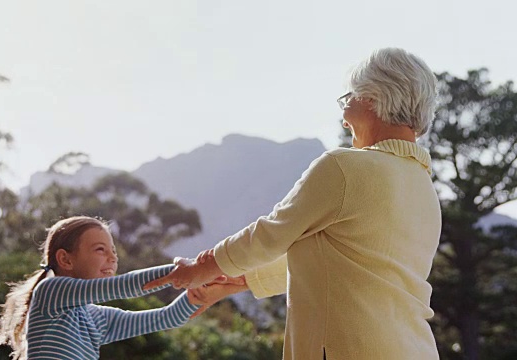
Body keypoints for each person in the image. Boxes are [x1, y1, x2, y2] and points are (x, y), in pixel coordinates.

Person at [144, 47, 442, 360]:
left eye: (348, 99)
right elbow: (333, 255)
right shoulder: (424, 190)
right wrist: (237, 281)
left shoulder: (345, 167)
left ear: (370, 97)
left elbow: (272, 234)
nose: (344, 118)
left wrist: (200, 268)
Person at [0, 215, 244, 360]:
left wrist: (194, 297)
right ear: (66, 259)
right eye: (100, 250)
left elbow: (165, 318)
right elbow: (124, 287)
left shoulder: (95, 318)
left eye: (114, 252)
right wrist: (185, 272)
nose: (112, 258)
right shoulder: (51, 292)